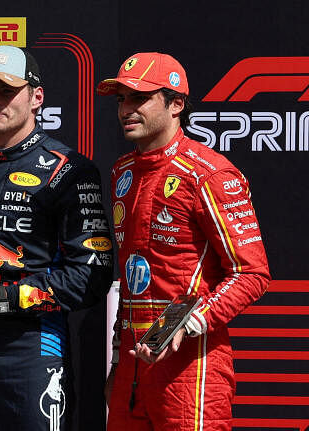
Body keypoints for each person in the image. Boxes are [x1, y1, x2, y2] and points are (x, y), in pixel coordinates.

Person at [0, 45, 112, 430]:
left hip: (33, 346)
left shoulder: (70, 171)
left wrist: (2, 298)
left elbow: (91, 277)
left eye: (5, 91)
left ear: (37, 97)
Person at [97, 52, 270, 430]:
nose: (126, 109)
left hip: (190, 366)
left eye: (138, 98)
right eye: (121, 99)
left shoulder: (209, 173)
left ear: (176, 104)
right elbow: (130, 285)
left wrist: (190, 323)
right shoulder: (122, 171)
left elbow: (251, 273)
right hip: (132, 362)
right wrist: (116, 364)